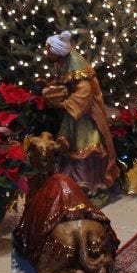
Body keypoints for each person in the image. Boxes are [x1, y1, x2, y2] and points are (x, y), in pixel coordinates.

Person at [41, 31, 119, 205]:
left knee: (85, 148)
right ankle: (74, 185)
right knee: (72, 147)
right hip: (74, 115)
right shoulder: (63, 61)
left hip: (86, 116)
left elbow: (84, 92)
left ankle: (90, 187)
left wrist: (65, 103)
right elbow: (65, 82)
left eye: (49, 49)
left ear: (57, 51)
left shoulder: (76, 63)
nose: (46, 52)